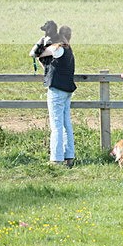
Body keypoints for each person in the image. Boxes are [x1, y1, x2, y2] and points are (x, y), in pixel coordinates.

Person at [39, 24, 76, 167]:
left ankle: (56, 158)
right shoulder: (69, 50)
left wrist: (43, 40)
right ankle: (69, 156)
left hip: (57, 90)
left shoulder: (58, 48)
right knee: (66, 124)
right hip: (67, 90)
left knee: (56, 126)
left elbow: (36, 53)